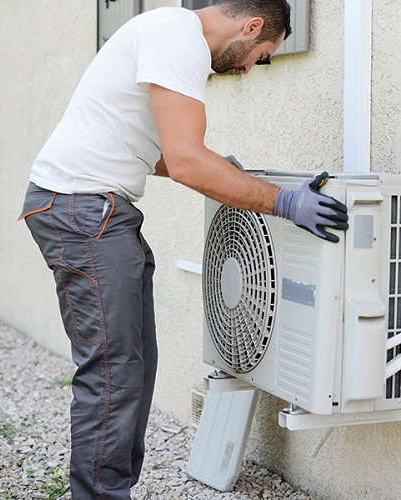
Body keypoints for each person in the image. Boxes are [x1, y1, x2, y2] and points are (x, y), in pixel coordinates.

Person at [19, 1, 348, 498]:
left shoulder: (164, 31)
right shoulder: (179, 39)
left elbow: (151, 152)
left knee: (134, 364)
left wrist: (229, 176)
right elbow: (187, 161)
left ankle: (112, 489)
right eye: (259, 56)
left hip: (88, 208)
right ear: (252, 26)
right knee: (113, 371)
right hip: (83, 210)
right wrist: (283, 202)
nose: (247, 69)